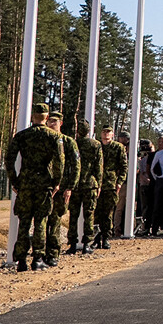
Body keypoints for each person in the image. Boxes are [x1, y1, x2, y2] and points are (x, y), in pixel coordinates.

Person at [7, 103, 64, 270]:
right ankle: (37, 258)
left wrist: (15, 180)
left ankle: (21, 259)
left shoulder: (22, 136)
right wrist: (56, 183)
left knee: (23, 222)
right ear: (46, 118)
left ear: (33, 117)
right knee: (41, 222)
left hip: (25, 183)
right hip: (44, 184)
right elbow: (60, 162)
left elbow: (9, 159)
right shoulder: (53, 137)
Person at [43, 113, 79, 264]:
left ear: (61, 123)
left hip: (61, 188)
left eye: (54, 121)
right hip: (44, 186)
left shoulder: (68, 142)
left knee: (55, 220)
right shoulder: (43, 140)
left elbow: (76, 166)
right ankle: (42, 251)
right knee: (42, 220)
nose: (51, 124)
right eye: (49, 121)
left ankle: (53, 253)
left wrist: (70, 187)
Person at [69, 118, 102, 253]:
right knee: (89, 214)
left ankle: (72, 243)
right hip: (90, 184)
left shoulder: (73, 144)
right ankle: (87, 243)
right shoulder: (95, 145)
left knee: (73, 215)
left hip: (75, 184)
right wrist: (99, 184)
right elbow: (99, 167)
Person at [94, 127, 127, 247]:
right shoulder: (96, 146)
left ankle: (106, 238)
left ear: (112, 134)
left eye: (108, 132)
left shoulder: (118, 147)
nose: (106, 134)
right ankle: (96, 238)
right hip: (97, 183)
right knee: (97, 212)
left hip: (111, 184)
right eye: (104, 131)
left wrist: (119, 182)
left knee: (108, 212)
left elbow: (124, 166)